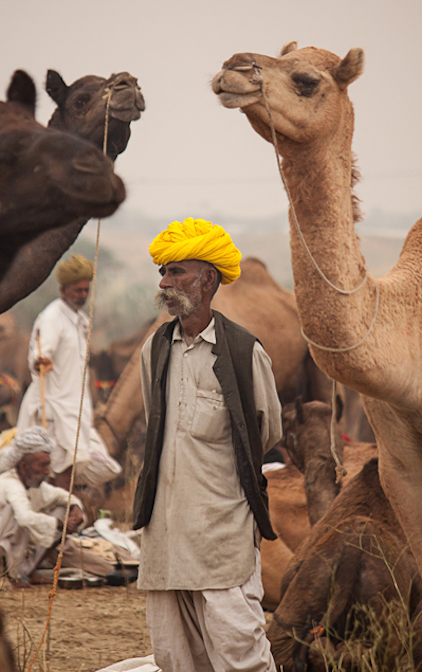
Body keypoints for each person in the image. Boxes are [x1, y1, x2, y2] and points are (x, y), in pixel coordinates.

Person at [133, 218, 282, 672]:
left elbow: (267, 431)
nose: (165, 281)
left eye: (177, 270)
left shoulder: (244, 352)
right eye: (163, 270)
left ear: (209, 278)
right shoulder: (153, 350)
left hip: (222, 535)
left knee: (241, 656)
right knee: (175, 658)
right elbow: (154, 423)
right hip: (165, 535)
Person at [16, 254, 121, 491]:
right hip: (55, 408)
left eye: (86, 290)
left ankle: (61, 519)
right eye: (78, 290)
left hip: (76, 410)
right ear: (63, 290)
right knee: (61, 470)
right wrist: (40, 361)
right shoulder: (52, 317)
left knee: (84, 468)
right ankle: (58, 523)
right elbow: (40, 351)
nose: (83, 295)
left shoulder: (79, 320)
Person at [0, 427, 115, 585]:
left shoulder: (34, 486)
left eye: (48, 465)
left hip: (17, 559)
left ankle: (25, 572)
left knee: (62, 508)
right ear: (25, 467)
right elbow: (24, 517)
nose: (48, 471)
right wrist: (60, 523)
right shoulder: (7, 484)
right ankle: (9, 576)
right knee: (18, 514)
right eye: (42, 465)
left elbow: (61, 496)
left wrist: (75, 507)